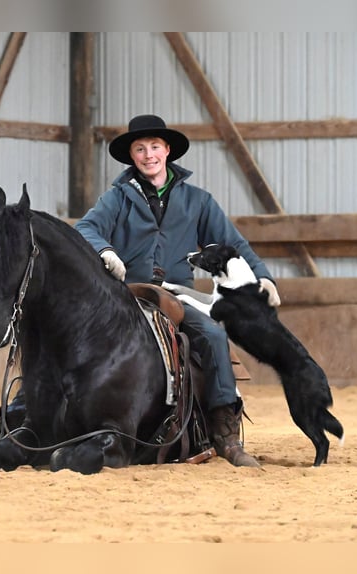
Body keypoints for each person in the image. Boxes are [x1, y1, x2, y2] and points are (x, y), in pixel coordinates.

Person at [75, 114, 281, 468]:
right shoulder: (116, 199)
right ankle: (22, 414)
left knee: (214, 336)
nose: (148, 154)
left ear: (167, 150)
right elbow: (85, 228)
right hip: (126, 293)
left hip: (177, 294)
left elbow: (232, 244)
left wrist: (262, 277)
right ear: (132, 157)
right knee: (68, 334)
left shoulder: (198, 201)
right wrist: (105, 251)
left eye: (154, 146)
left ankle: (225, 433)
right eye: (140, 149)